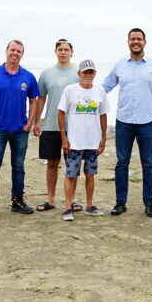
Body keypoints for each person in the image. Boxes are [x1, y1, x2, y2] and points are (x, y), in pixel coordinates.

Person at [103, 28, 152, 217]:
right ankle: (120, 203)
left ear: (144, 42)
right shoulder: (120, 65)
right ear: (128, 42)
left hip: (147, 122)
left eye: (139, 39)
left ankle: (149, 203)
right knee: (121, 163)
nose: (136, 42)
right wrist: (84, 98)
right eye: (132, 39)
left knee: (148, 164)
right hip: (123, 121)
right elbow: (105, 87)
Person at [0, 40, 39, 218]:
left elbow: (34, 100)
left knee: (18, 167)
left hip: (20, 130)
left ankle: (17, 201)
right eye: (12, 50)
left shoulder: (28, 76)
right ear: (6, 51)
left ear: (22, 54)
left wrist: (29, 124)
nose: (15, 53)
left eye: (19, 51)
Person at [57, 60, 109, 221]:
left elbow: (103, 115)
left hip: (92, 141)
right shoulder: (70, 90)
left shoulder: (100, 91)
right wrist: (64, 138)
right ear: (79, 74)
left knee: (90, 174)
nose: (88, 75)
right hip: (74, 141)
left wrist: (103, 137)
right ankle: (68, 207)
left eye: (91, 72)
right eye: (85, 72)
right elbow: (61, 113)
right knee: (71, 174)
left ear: (94, 74)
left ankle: (89, 205)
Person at [33, 39, 79, 212]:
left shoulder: (78, 73)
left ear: (71, 52)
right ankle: (50, 199)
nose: (63, 52)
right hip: (51, 125)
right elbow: (41, 99)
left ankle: (71, 200)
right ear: (55, 51)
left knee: (72, 165)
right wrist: (37, 121)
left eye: (66, 49)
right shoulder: (46, 74)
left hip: (73, 127)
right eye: (60, 49)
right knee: (52, 163)